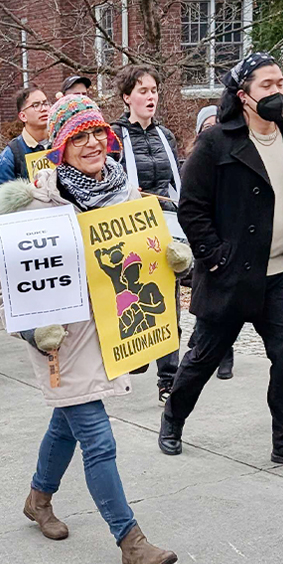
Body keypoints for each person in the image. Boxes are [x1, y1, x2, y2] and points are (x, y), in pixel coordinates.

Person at [0, 93, 181, 564]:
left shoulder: (126, 195)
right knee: (97, 438)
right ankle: (131, 543)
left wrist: (172, 258)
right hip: (60, 339)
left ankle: (38, 498)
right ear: (60, 147)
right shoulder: (34, 203)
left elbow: (142, 256)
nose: (93, 142)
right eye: (79, 136)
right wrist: (35, 331)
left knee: (66, 424)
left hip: (111, 331)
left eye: (98, 133)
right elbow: (3, 286)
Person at [158, 53, 283, 472]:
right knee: (202, 358)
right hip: (232, 276)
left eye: (281, 83)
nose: (277, 92)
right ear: (243, 95)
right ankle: (172, 420)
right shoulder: (217, 142)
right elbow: (191, 208)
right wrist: (214, 258)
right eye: (266, 85)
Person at [111, 64, 183, 404]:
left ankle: (168, 380)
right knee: (134, 295)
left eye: (153, 90)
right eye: (142, 91)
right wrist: (125, 190)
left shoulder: (165, 136)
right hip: (130, 229)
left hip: (166, 225)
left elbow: (177, 181)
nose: (150, 96)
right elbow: (104, 181)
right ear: (127, 98)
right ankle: (136, 354)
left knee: (169, 302)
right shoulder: (113, 136)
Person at [185, 105, 234, 381]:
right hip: (205, 245)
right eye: (207, 127)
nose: (213, 131)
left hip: (228, 244)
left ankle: (225, 354)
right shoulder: (194, 162)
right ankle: (203, 346)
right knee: (207, 302)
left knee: (228, 304)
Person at [0, 86, 51, 189]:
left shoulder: (63, 144)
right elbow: (0, 202)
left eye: (45, 103)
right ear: (23, 116)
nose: (44, 109)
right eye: (36, 105)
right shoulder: (9, 157)